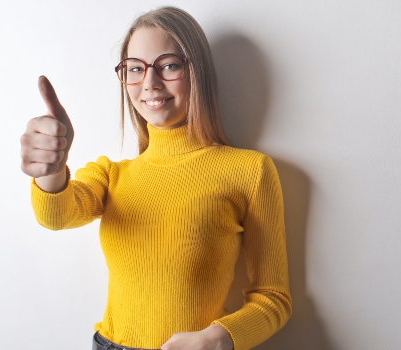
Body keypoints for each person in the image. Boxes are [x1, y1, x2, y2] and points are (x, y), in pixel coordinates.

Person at [19, 6, 291, 350]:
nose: (149, 83)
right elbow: (56, 216)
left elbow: (273, 297)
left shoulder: (250, 171)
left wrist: (219, 339)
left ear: (198, 72)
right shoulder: (111, 175)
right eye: (135, 69)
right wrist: (53, 168)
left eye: (169, 65)